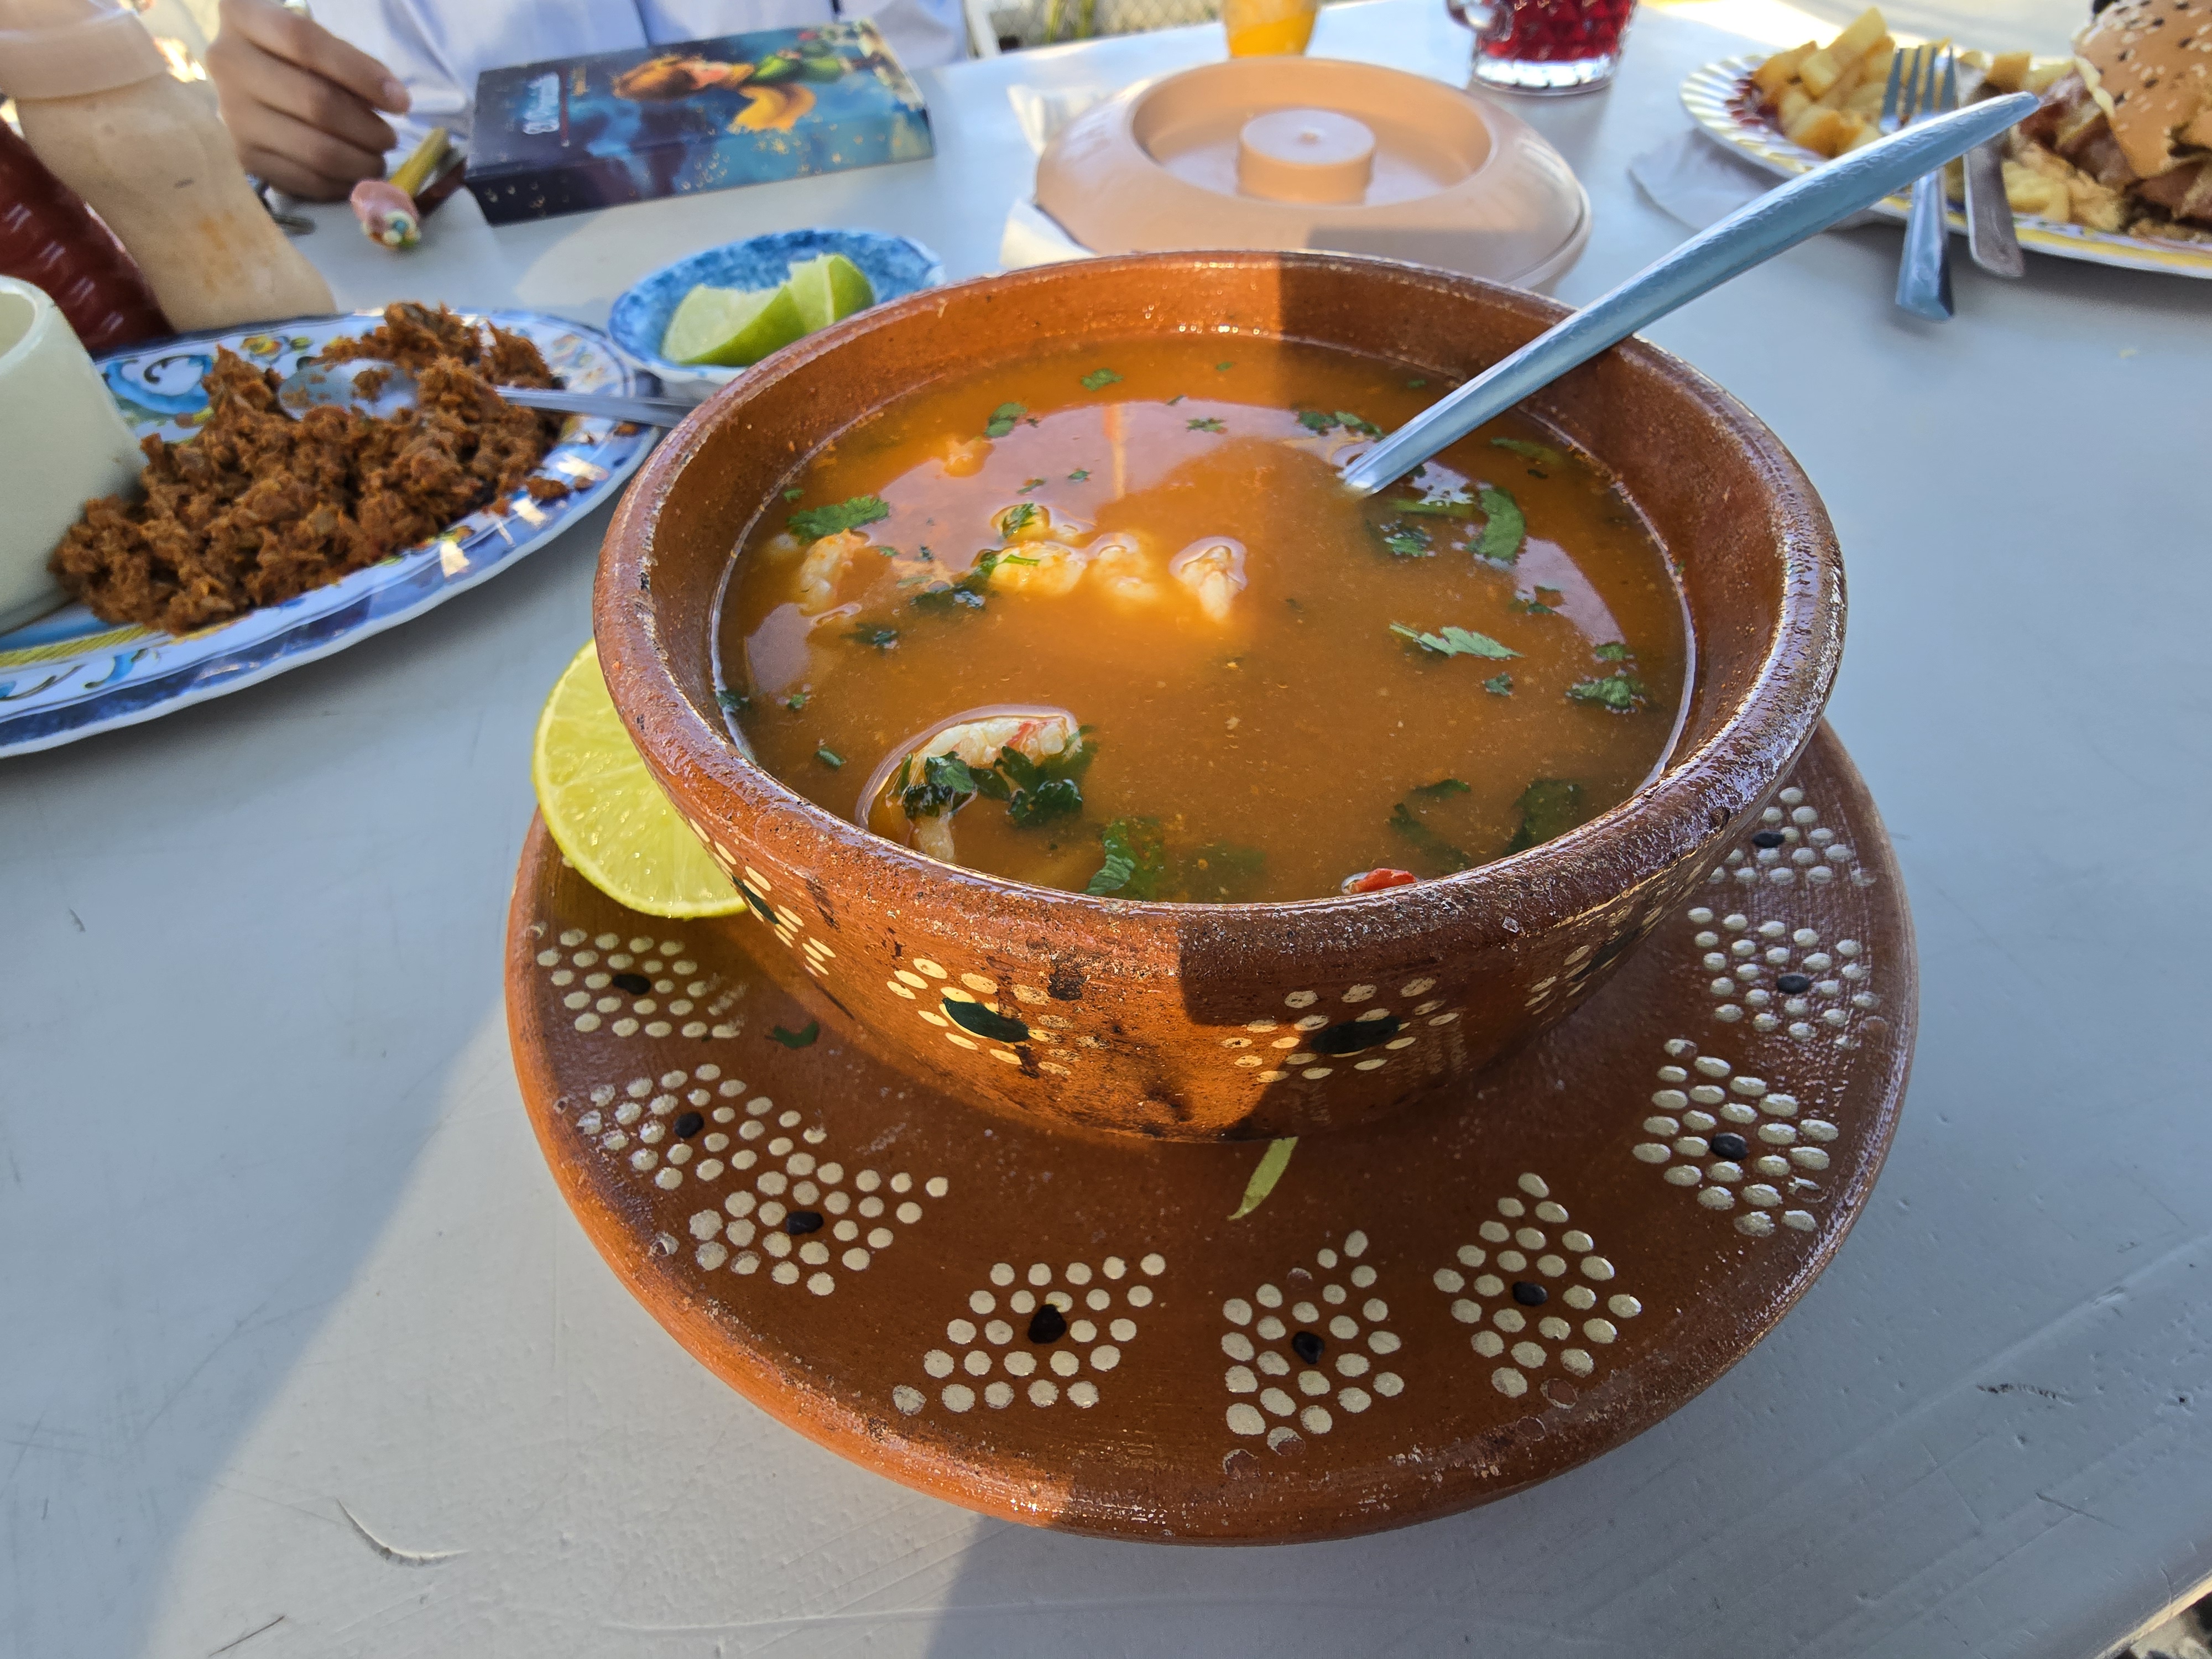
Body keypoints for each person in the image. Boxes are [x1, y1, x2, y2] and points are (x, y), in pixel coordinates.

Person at [206, 0, 964, 201]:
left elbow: (917, 72)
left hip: (858, 235)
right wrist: (304, 138)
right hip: (551, 349)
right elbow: (414, 159)